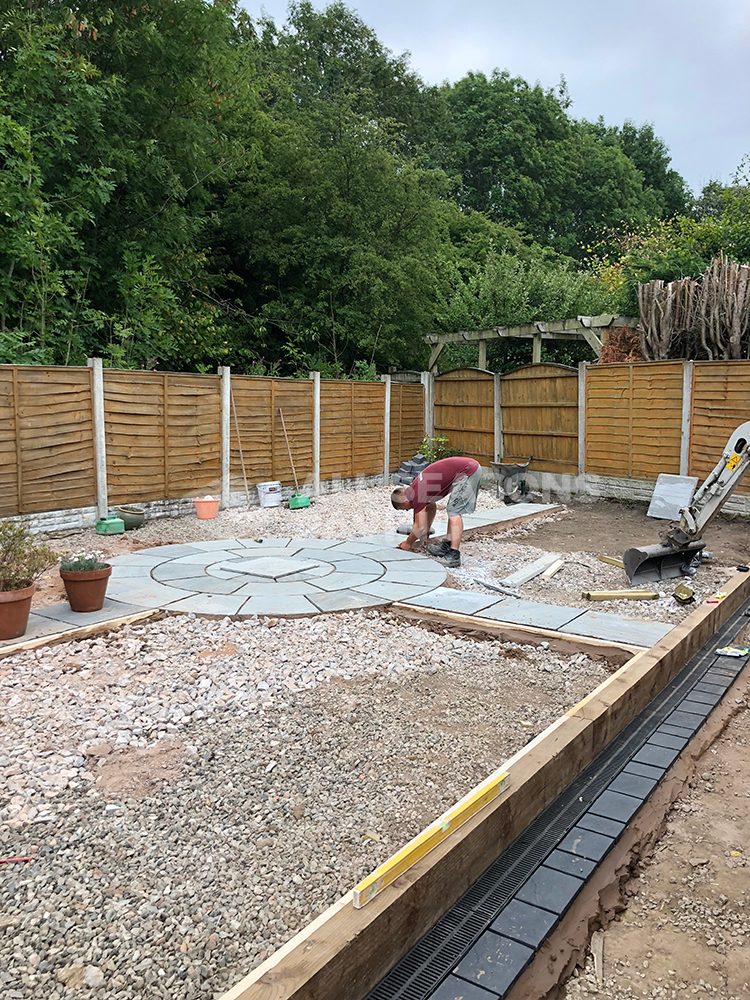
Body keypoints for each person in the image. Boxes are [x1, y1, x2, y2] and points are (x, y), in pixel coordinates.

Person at [390, 456, 482, 568]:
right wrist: (427, 529)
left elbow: (419, 527)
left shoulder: (417, 494)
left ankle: (454, 555)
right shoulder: (415, 488)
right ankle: (447, 546)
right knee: (452, 510)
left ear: (405, 501)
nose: (408, 510)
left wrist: (408, 543)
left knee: (454, 512)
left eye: (405, 508)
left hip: (468, 471)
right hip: (467, 468)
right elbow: (431, 506)